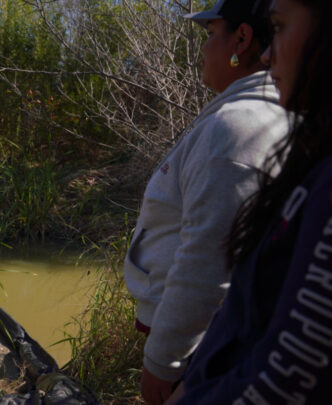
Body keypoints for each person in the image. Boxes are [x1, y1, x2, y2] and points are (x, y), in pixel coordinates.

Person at [122, 0, 289, 403]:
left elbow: (207, 263)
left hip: (204, 354)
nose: (203, 48)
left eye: (211, 35)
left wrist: (163, 365)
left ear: (243, 39)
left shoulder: (237, 129)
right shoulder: (260, 115)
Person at [165, 0, 332, 403]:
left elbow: (291, 369)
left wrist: (163, 365)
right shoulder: (310, 154)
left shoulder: (235, 128)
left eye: (278, 27)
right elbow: (246, 309)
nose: (268, 53)